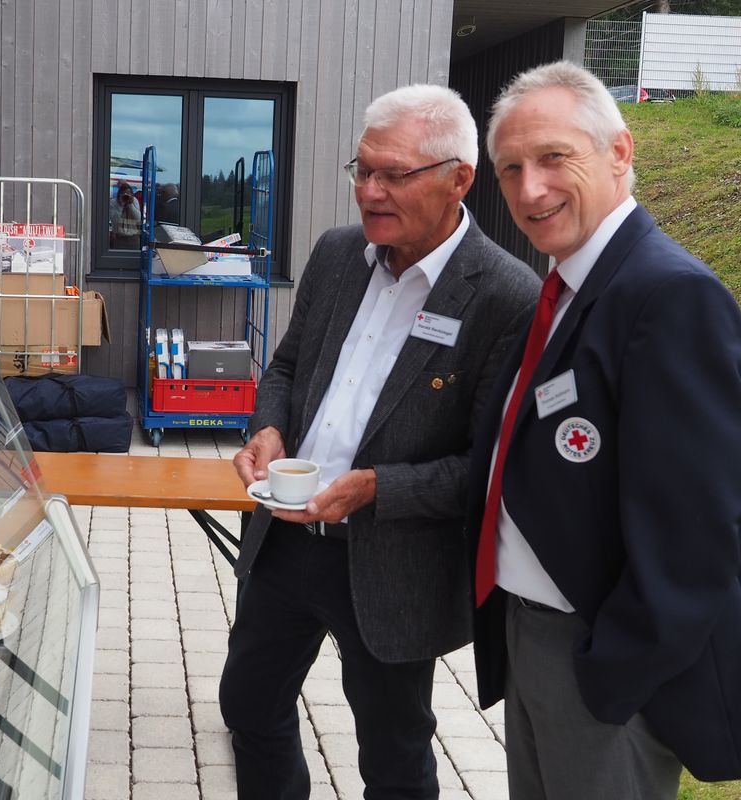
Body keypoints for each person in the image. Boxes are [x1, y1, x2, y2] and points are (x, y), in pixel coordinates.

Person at [467, 60, 741, 798]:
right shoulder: (568, 286)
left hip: (599, 663)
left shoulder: (669, 296)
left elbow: (698, 538)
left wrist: (615, 671)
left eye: (554, 157)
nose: (529, 189)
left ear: (619, 152)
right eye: (511, 168)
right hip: (532, 635)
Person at [219, 84, 540, 799]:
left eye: (394, 174)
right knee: (248, 707)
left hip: (390, 561)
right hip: (285, 540)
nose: (369, 191)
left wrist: (376, 489)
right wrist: (268, 427)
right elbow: (286, 366)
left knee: (393, 756)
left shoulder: (506, 296)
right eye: (362, 170)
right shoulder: (339, 254)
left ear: (459, 179)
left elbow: (490, 469)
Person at [110, 181, 141, 249]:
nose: (126, 196)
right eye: (123, 193)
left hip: (133, 237)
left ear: (132, 194)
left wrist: (130, 205)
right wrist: (121, 205)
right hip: (119, 238)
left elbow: (138, 218)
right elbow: (115, 221)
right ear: (119, 194)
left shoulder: (134, 201)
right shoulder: (113, 203)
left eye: (128, 193)